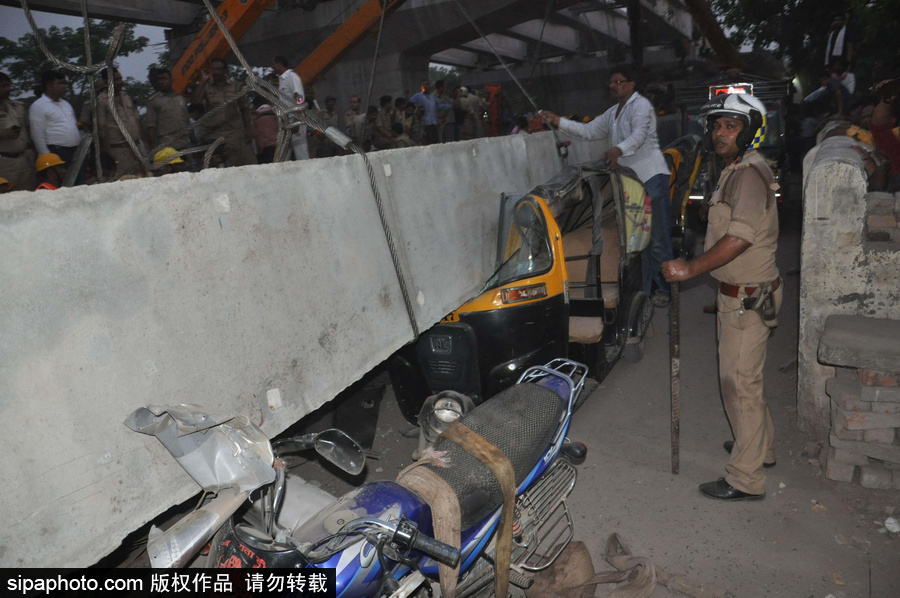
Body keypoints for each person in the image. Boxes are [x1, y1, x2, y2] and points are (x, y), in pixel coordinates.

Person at [661, 93, 781, 501]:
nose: (720, 133)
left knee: (738, 384)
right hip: (742, 295)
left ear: (749, 130)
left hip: (746, 299)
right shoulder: (737, 169)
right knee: (747, 379)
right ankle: (760, 447)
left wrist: (690, 269)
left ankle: (745, 479)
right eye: (716, 126)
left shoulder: (747, 174)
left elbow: (740, 237)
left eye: (731, 126)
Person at [540, 64, 673, 306]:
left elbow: (639, 135)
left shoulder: (641, 107)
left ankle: (664, 288)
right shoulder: (613, 113)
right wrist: (558, 121)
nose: (613, 86)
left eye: (619, 82)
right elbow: (588, 131)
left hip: (650, 178)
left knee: (657, 238)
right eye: (611, 83)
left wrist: (617, 149)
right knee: (637, 239)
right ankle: (647, 290)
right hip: (631, 182)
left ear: (631, 85)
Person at [192, 58, 256, 167]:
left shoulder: (236, 86)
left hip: (236, 132)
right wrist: (202, 81)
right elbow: (194, 101)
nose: (216, 72)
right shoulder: (206, 88)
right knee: (226, 168)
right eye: (213, 69)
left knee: (249, 163)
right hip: (215, 134)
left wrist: (248, 130)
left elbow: (244, 109)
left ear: (225, 70)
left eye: (219, 69)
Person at [29, 70, 83, 184]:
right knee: (63, 185)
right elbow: (37, 134)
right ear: (49, 85)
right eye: (60, 83)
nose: (64, 86)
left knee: (79, 183)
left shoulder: (66, 104)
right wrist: (46, 158)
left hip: (74, 152)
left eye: (64, 83)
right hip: (56, 153)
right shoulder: (38, 106)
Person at [96, 68, 148, 178]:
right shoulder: (102, 102)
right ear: (106, 82)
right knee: (126, 179)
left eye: (120, 78)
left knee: (144, 178)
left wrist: (145, 145)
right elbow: (102, 129)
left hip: (136, 146)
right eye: (115, 79)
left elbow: (137, 121)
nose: (119, 82)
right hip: (119, 149)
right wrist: (110, 154)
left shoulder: (127, 97)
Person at [0, 71, 35, 192]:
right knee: (8, 201)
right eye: (3, 86)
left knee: (27, 197)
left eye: (8, 85)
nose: (7, 89)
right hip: (5, 162)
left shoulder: (17, 106)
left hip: (24, 159)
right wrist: (2, 135)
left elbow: (27, 128)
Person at [146, 69, 194, 153]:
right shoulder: (154, 101)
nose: (161, 82)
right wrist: (154, 148)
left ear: (171, 80)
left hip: (185, 144)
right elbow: (151, 127)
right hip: (167, 146)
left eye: (164, 79)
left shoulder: (180, 98)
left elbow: (187, 121)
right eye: (159, 79)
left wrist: (193, 139)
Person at [271, 55, 308, 160]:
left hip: (295, 119)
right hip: (285, 121)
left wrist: (297, 119)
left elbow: (299, 97)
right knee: (282, 154)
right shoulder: (282, 80)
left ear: (279, 64)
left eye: (273, 64)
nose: (272, 67)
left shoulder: (292, 77)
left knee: (301, 153)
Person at [409, 80, 453, 145]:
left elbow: (439, 106)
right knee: (428, 143)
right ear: (422, 86)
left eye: (428, 84)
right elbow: (410, 104)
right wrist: (416, 111)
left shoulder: (433, 97)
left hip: (434, 123)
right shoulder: (418, 96)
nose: (426, 86)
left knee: (436, 142)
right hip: (424, 124)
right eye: (424, 84)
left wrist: (451, 106)